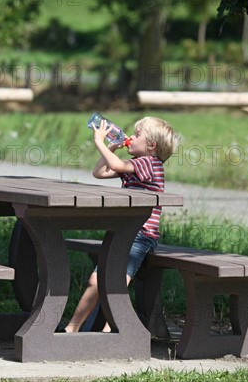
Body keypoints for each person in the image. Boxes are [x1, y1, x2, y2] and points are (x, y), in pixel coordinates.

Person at [64, 116, 180, 333]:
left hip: (140, 236)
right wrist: (112, 148)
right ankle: (77, 329)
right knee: (98, 281)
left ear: (151, 145)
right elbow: (99, 173)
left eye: (137, 135)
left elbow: (115, 165)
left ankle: (108, 330)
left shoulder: (149, 164)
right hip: (125, 233)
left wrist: (99, 141)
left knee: (108, 282)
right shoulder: (137, 166)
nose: (131, 137)